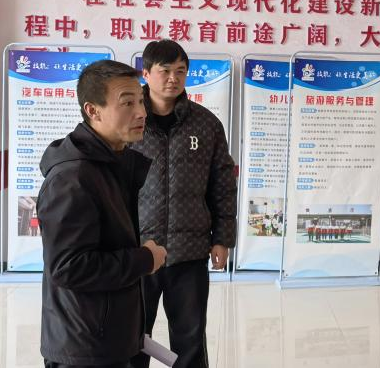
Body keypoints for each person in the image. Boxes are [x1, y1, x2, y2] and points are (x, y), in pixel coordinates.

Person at [37, 60, 167, 368]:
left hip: (106, 336)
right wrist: (144, 259)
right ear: (93, 110)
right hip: (84, 347)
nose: (141, 113)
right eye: (127, 103)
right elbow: (69, 267)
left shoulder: (110, 164)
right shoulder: (73, 177)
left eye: (141, 101)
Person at [130, 40, 237, 368]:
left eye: (180, 71)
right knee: (132, 337)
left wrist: (222, 238)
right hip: (137, 251)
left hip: (188, 252)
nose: (173, 78)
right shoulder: (129, 121)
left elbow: (222, 185)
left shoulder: (206, 124)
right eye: (164, 71)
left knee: (189, 339)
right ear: (146, 73)